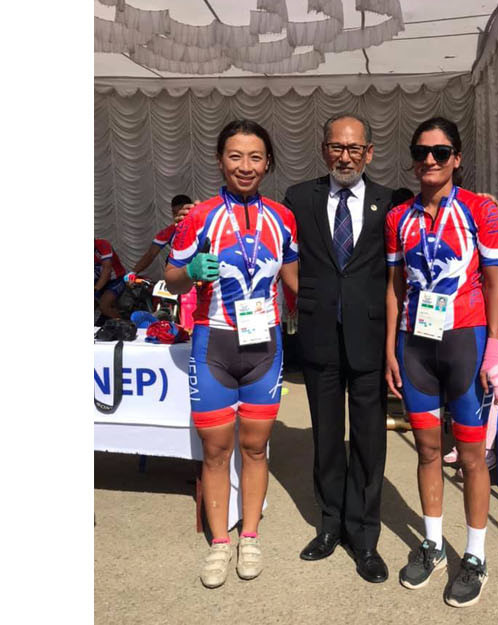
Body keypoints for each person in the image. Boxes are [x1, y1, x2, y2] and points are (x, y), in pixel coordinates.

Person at [163, 120, 299, 589]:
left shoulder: (283, 218)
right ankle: (220, 542)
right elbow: (171, 278)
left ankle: (251, 536)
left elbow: (296, 281)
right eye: (236, 156)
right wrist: (189, 272)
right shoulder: (199, 217)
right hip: (213, 343)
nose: (246, 166)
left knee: (256, 448)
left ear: (268, 163)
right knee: (216, 451)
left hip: (265, 345)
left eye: (255, 157)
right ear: (220, 160)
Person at [384, 117, 498, 608]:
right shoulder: (399, 217)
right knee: (427, 450)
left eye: (440, 152)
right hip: (415, 346)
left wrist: (494, 347)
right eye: (421, 152)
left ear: (456, 158)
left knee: (473, 457)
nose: (430, 160)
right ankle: (433, 544)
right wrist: (391, 347)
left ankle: (475, 556)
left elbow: (494, 281)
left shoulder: (481, 209)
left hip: (466, 343)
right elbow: (395, 287)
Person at [282, 114, 395, 583]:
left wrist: (483, 203)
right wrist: (308, 297)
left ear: (369, 152)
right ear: (324, 149)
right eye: (336, 147)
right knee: (327, 437)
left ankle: (364, 536)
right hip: (320, 335)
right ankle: (330, 526)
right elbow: (285, 255)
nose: (344, 157)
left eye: (354, 148)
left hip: (369, 337)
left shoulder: (391, 201)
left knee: (369, 440)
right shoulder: (299, 198)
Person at [127, 194, 196, 277]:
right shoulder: (169, 231)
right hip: (181, 276)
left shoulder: (203, 224)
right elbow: (151, 254)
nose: (179, 216)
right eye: (175, 213)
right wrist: (133, 272)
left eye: (183, 213)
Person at [94, 237, 127, 321]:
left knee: (104, 306)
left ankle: (124, 325)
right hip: (99, 279)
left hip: (116, 279)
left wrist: (96, 288)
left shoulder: (102, 244)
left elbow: (107, 270)